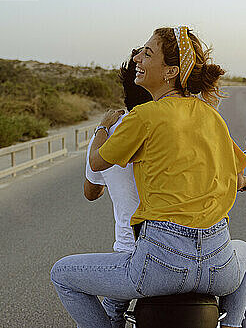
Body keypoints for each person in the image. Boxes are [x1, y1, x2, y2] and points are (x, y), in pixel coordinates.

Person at [51, 26, 246, 328]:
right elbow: (236, 172)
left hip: (159, 265)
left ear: (170, 71)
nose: (136, 56)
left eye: (146, 53)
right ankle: (230, 325)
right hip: (217, 264)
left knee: (62, 274)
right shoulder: (212, 116)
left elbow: (97, 163)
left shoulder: (144, 116)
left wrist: (99, 131)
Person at [82, 49, 152, 328]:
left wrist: (101, 128)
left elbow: (91, 192)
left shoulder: (107, 135)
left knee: (107, 310)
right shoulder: (172, 126)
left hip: (128, 252)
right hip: (177, 247)